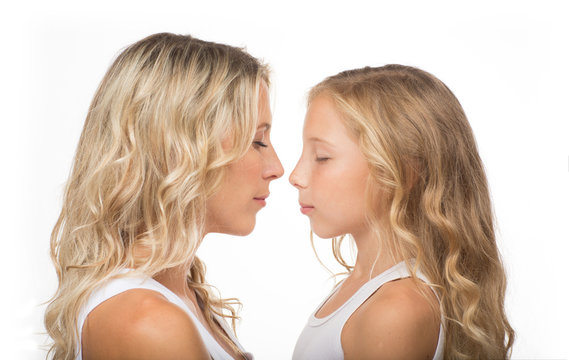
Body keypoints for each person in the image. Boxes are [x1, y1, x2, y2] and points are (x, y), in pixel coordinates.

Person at [44, 33, 283, 360]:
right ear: (181, 151)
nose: (277, 167)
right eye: (258, 141)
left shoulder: (180, 296)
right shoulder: (148, 323)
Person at [290, 64, 514, 359]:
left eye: (322, 157)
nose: (296, 175)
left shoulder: (395, 311)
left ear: (402, 172)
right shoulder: (367, 291)